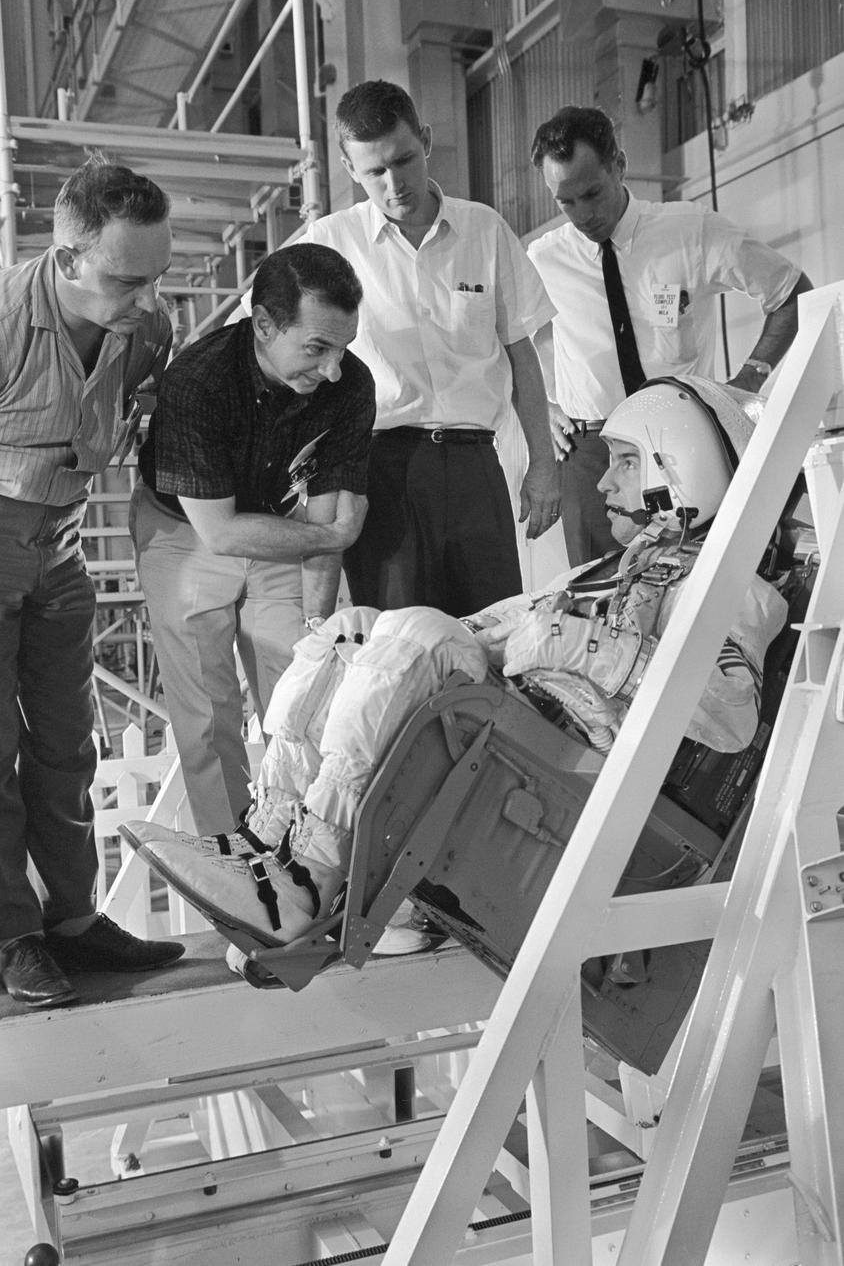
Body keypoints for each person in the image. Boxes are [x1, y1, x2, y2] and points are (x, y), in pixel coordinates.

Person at [123, 377, 787, 955]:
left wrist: (567, 642)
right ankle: (266, 843)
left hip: (583, 766)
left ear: (679, 464)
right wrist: (424, 640)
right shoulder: (608, 567)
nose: (606, 479)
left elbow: (730, 717)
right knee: (349, 630)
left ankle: (309, 877)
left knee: (416, 627)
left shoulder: (738, 589)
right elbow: (517, 617)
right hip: (531, 732)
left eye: (624, 461)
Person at [0, 153, 186, 1009]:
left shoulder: (148, 329)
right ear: (67, 257)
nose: (147, 299)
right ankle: (13, 936)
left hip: (65, 546)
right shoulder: (5, 315)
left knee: (71, 743)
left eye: (156, 276)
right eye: (126, 279)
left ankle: (74, 923)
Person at [283, 79, 561, 617]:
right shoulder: (328, 243)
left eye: (404, 160)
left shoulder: (485, 230)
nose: (394, 184)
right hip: (381, 471)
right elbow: (260, 326)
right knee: (402, 646)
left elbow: (521, 356)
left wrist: (543, 465)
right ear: (348, 169)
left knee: (497, 634)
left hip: (478, 464)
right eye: (374, 172)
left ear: (426, 140)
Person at [131, 244, 374, 837]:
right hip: (183, 532)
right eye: (317, 348)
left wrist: (317, 633)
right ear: (264, 325)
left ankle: (309, 855)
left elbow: (327, 526)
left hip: (283, 526)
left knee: (302, 696)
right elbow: (220, 533)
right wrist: (331, 533)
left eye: (344, 346)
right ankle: (240, 867)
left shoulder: (349, 384)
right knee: (208, 718)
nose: (334, 368)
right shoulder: (198, 379)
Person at [527, 104, 813, 564]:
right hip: (591, 455)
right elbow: (507, 344)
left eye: (593, 193)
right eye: (565, 202)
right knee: (596, 603)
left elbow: (792, 292)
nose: (583, 214)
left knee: (691, 588)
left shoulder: (690, 231)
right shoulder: (542, 259)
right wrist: (544, 406)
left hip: (683, 445)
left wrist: (747, 383)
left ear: (619, 164)